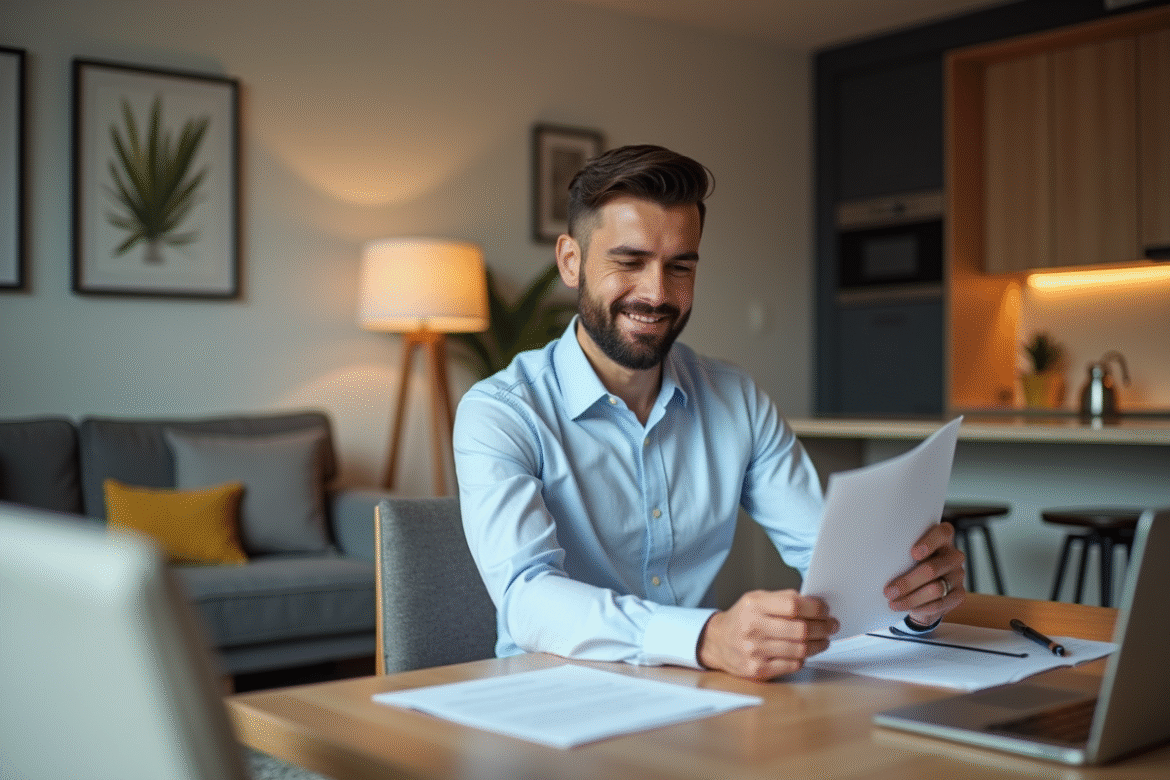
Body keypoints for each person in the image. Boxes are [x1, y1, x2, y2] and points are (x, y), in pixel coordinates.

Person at [453, 144, 965, 680]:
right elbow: (526, 598)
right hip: (550, 699)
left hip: (699, 695)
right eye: (629, 262)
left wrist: (911, 597)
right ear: (571, 261)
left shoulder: (735, 398)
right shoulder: (500, 412)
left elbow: (827, 555)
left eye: (680, 267)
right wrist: (702, 637)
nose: (656, 293)